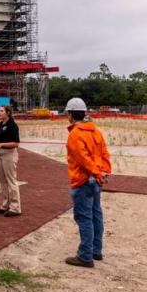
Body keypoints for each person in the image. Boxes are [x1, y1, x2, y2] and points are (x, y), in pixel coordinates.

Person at [61, 98, 112, 268]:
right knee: (96, 215)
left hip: (83, 181)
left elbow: (83, 160)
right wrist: (104, 172)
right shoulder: (95, 131)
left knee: (84, 218)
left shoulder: (75, 134)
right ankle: (96, 250)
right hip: (96, 180)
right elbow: (104, 153)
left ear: (70, 114)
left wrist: (97, 172)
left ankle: (85, 255)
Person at [0, 105, 21, 216]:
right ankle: (6, 205)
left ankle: (15, 207)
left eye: (1, 111)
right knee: (3, 180)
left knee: (11, 180)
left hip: (9, 154)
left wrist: (2, 144)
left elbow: (16, 143)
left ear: (8, 112)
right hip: (0, 154)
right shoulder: (0, 125)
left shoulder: (12, 126)